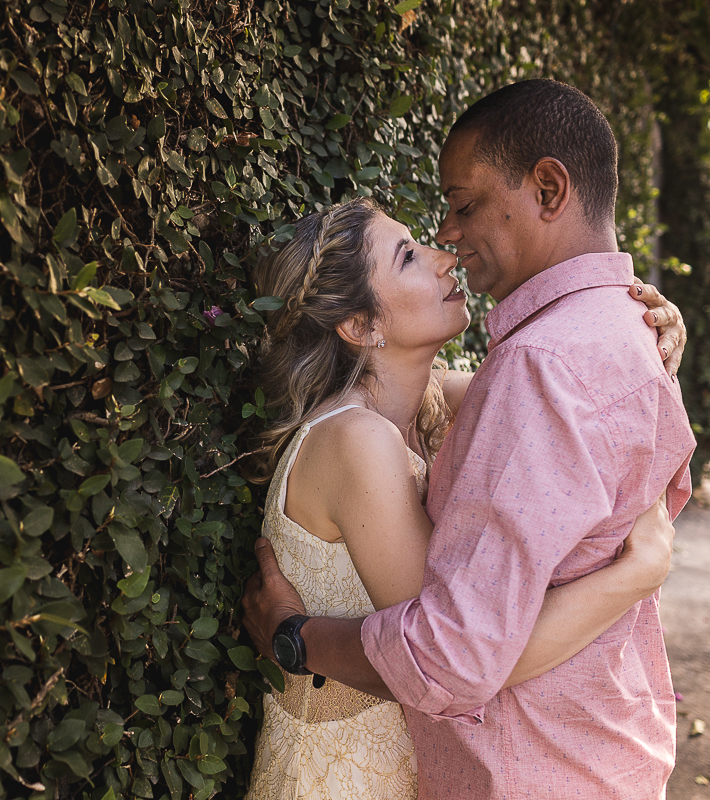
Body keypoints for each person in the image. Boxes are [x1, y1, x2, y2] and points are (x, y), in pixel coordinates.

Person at [242, 79, 696, 800]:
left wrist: (299, 636)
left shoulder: (500, 380)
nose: (447, 243)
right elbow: (464, 651)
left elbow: (454, 653)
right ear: (360, 325)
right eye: (412, 255)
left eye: (461, 208)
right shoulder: (376, 432)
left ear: (549, 188)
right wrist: (630, 579)